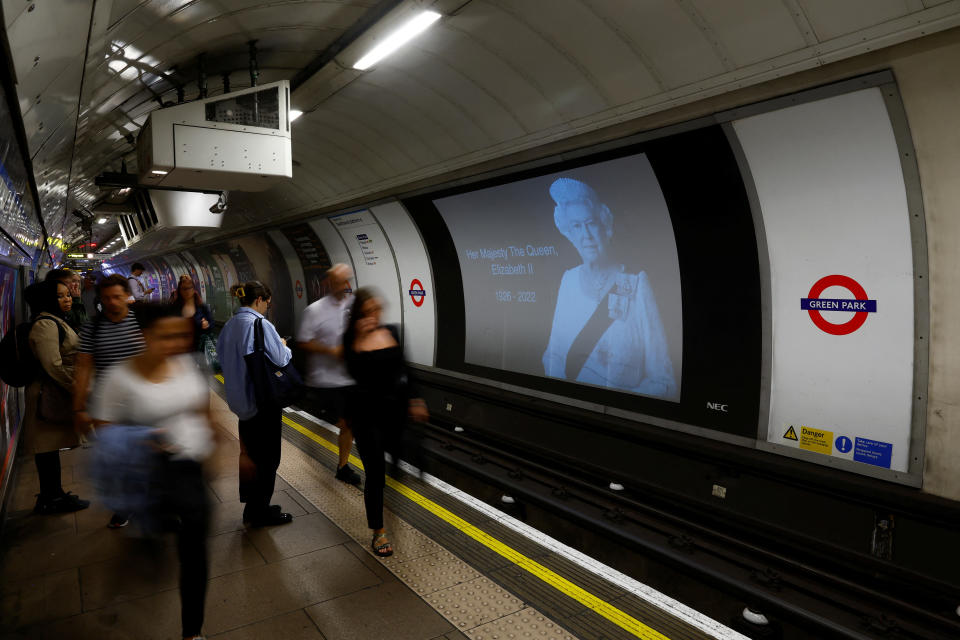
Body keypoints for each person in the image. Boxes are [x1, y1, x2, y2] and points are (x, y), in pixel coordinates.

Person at [90, 303, 214, 640]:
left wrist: (219, 449)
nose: (176, 344)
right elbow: (102, 426)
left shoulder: (188, 366)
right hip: (146, 472)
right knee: (153, 538)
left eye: (181, 336)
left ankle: (192, 631)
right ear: (144, 336)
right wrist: (144, 439)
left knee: (195, 553)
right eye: (166, 336)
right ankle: (143, 552)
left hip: (189, 469)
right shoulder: (120, 376)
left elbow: (203, 410)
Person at [541, 177, 677, 399]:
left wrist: (613, 404)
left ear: (606, 226)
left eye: (591, 223)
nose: (586, 235)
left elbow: (664, 383)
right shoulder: (568, 281)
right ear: (570, 234)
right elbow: (553, 355)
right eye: (576, 226)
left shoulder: (637, 284)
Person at [343, 288, 429, 557]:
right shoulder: (350, 339)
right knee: (375, 474)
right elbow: (352, 372)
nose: (374, 316)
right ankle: (378, 533)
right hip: (365, 415)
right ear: (358, 313)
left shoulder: (392, 331)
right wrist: (358, 337)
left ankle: (398, 473)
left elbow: (405, 368)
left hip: (394, 412)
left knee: (394, 461)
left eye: (377, 310)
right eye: (368, 311)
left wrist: (416, 398)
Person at [217, 281, 294, 527]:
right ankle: (258, 513)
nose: (266, 309)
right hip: (262, 402)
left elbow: (221, 358)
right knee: (269, 459)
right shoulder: (260, 324)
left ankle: (253, 507)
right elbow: (280, 359)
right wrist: (283, 345)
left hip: (241, 404)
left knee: (250, 456)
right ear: (259, 300)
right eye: (266, 304)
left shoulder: (229, 326)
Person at [73, 273, 146, 528]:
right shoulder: (92, 326)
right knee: (118, 458)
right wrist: (79, 407)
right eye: (106, 298)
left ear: (127, 295)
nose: (112, 302)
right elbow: (83, 367)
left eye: (117, 296)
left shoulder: (142, 321)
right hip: (108, 406)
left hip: (143, 401)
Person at [23, 280, 90, 514]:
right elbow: (53, 364)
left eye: (68, 295)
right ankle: (50, 499)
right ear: (49, 299)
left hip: (52, 391)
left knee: (50, 449)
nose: (68, 299)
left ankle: (54, 495)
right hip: (47, 394)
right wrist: (76, 387)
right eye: (61, 296)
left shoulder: (56, 320)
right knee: (46, 448)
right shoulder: (46, 325)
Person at [296, 264, 361, 485]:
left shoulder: (353, 305)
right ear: (328, 283)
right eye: (339, 282)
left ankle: (343, 466)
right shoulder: (314, 311)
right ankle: (328, 447)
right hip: (324, 379)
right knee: (344, 420)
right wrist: (329, 351)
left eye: (346, 281)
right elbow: (303, 341)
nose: (344, 286)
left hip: (349, 377)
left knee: (348, 422)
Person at [171, 275, 213, 351]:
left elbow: (211, 326)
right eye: (184, 289)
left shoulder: (202, 307)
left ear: (194, 289)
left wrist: (206, 325)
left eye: (189, 288)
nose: (187, 291)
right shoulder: (175, 309)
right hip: (180, 350)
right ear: (180, 291)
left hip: (199, 350)